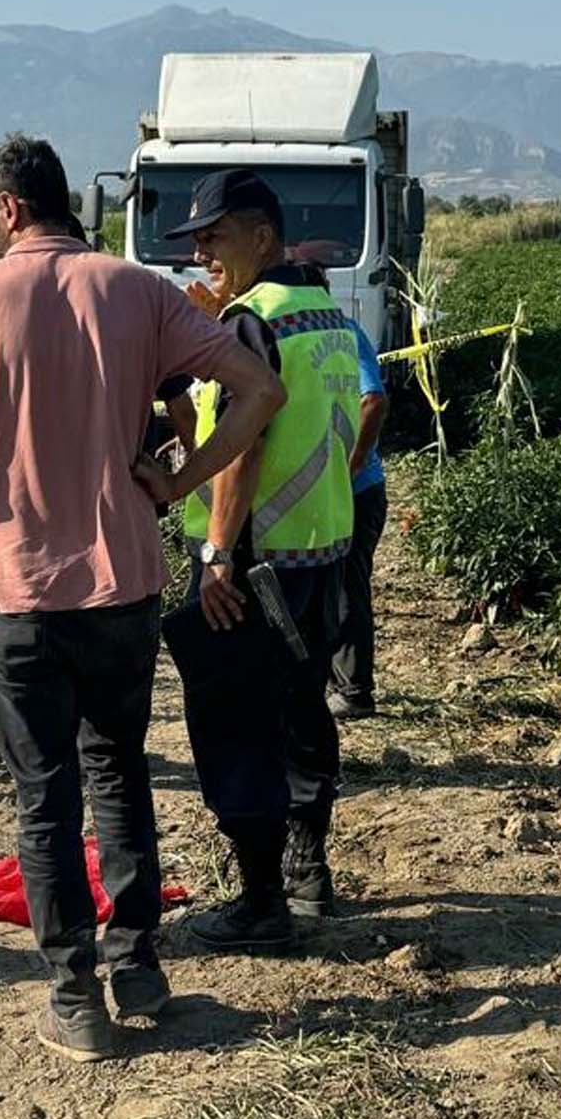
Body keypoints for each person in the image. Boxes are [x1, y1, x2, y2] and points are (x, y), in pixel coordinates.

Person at [0, 134, 284, 1062]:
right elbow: (258, 388)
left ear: (6, 208)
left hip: (14, 590)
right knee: (118, 772)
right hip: (120, 586)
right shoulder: (139, 290)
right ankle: (139, 961)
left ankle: (76, 996)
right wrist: (180, 479)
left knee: (45, 796)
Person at [157, 168, 369, 954]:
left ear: (261, 237)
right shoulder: (324, 314)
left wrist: (216, 552)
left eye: (214, 237)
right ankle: (309, 872)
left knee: (237, 724)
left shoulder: (253, 322)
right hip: (320, 548)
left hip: (250, 563)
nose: (202, 254)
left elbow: (244, 452)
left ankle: (259, 902)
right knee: (303, 712)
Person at [330, 313, 391, 720]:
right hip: (332, 491)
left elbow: (373, 400)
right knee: (331, 586)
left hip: (356, 491)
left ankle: (354, 691)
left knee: (346, 588)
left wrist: (349, 468)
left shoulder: (341, 331)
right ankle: (338, 681)